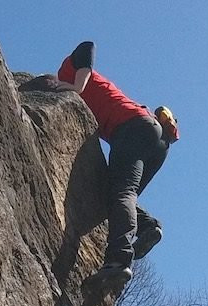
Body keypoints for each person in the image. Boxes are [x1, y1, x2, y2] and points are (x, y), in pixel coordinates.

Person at [56, 40, 179, 291]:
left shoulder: (69, 68)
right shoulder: (79, 98)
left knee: (122, 193)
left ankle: (118, 261)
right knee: (121, 195)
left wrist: (70, 85)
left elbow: (87, 47)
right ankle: (147, 226)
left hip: (133, 127)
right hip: (155, 142)